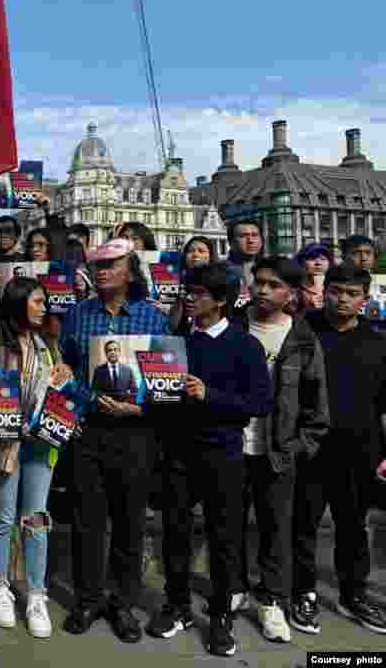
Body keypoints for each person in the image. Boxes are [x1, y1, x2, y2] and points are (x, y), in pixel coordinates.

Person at [145, 262, 273, 657]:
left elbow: (259, 403)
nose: (189, 297)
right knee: (176, 534)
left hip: (224, 456)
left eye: (198, 293)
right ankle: (177, 605)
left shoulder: (245, 344)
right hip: (179, 455)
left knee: (225, 540)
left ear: (220, 301)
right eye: (189, 290)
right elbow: (160, 402)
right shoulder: (175, 340)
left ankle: (221, 616)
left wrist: (209, 394)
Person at [57, 238, 168, 644]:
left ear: (131, 269)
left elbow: (165, 382)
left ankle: (123, 604)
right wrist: (84, 399)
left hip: (136, 433)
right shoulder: (76, 316)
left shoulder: (153, 320)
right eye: (98, 263)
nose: (103, 270)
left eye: (112, 263)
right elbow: (63, 373)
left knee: (130, 523)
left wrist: (141, 410)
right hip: (88, 430)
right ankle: (87, 599)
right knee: (88, 520)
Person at [222, 256, 329, 643]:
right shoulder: (232, 326)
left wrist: (300, 447)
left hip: (277, 451)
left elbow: (317, 403)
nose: (264, 291)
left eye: (274, 285)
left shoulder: (301, 336)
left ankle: (272, 602)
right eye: (260, 282)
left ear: (291, 292)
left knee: (276, 530)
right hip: (232, 445)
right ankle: (232, 591)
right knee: (229, 525)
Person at [292, 264, 386, 635]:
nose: (342, 299)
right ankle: (303, 593)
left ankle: (353, 595)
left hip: (360, 448)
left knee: (353, 527)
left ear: (364, 298)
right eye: (335, 290)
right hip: (310, 448)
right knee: (303, 526)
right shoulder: (302, 330)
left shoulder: (378, 342)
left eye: (351, 293)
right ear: (323, 290)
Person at [0, 277, 67, 640]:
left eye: (44, 301)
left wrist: (64, 377)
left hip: (41, 442)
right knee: (2, 517)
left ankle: (35, 594)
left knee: (36, 518)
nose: (43, 306)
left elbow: (61, 385)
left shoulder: (47, 343)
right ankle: (0, 587)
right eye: (36, 300)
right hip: (6, 444)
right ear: (17, 303)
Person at [168, 236, 215, 334]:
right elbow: (172, 325)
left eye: (201, 251)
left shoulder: (220, 281)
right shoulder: (177, 280)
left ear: (211, 256)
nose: (195, 254)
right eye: (190, 251)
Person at [228, 221, 264, 299]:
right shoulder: (221, 271)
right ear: (231, 243)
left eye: (255, 235)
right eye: (243, 236)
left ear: (261, 241)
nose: (250, 240)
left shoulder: (272, 269)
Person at [295, 243, 331, 312]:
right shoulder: (295, 290)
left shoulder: (335, 288)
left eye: (323, 259)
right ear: (301, 262)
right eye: (312, 259)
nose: (318, 263)